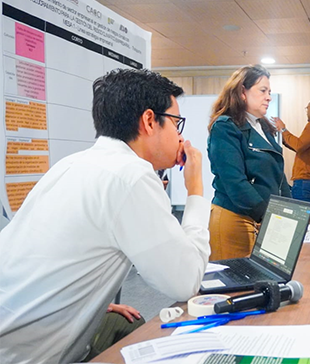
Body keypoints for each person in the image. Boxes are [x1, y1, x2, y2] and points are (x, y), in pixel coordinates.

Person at [0, 69, 210, 364]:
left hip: (12, 329)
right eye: (177, 123)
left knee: (126, 325)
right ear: (150, 121)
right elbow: (185, 281)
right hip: (29, 356)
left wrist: (89, 300)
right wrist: (195, 189)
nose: (180, 136)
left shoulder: (73, 163)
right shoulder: (131, 176)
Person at [207, 64, 291, 260]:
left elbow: (279, 176)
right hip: (235, 217)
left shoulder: (263, 127)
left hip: (263, 219)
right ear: (242, 92)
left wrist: (291, 213)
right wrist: (269, 217)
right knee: (235, 286)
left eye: (269, 91)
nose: (268, 96)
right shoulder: (225, 127)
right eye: (263, 90)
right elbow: (235, 182)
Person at [272, 97, 310, 209]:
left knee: (301, 221)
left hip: (306, 181)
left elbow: (299, 145)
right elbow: (302, 147)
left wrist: (283, 130)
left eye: (307, 108)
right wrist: (284, 139)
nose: (307, 112)